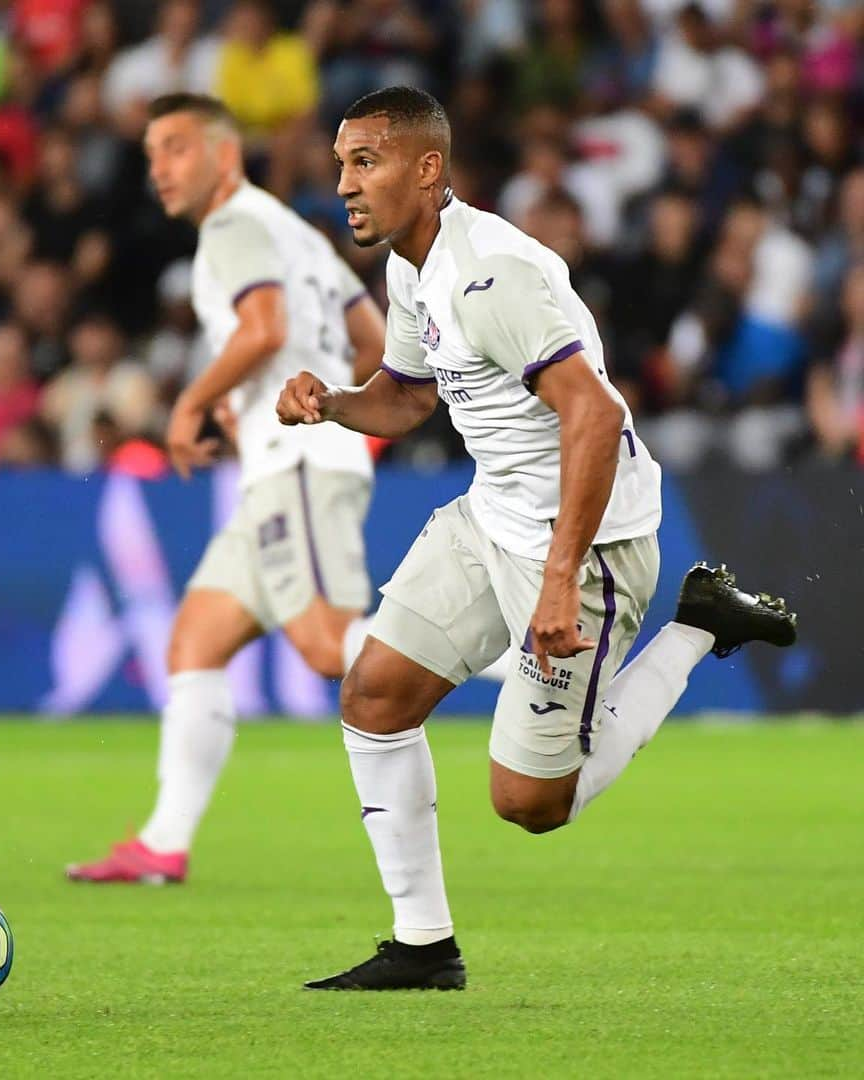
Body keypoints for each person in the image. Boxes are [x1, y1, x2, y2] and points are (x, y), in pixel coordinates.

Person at [276, 86, 798, 991]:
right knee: (374, 694)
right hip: (494, 517)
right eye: (340, 165)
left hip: (586, 544)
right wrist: (332, 404)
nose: (346, 184)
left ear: (429, 168)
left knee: (529, 804)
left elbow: (594, 416)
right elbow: (406, 395)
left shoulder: (493, 273)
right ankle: (423, 948)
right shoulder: (413, 266)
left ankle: (701, 625)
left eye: (366, 161)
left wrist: (560, 581)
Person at [66, 92, 386, 886]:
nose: (160, 169)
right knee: (195, 642)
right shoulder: (297, 232)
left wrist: (191, 400)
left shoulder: (234, 225)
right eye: (150, 154)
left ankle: (522, 647)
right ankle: (163, 844)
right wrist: (347, 417)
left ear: (224, 151)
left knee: (322, 644)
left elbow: (266, 328)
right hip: (286, 467)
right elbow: (373, 340)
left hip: (298, 465)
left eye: (176, 147)